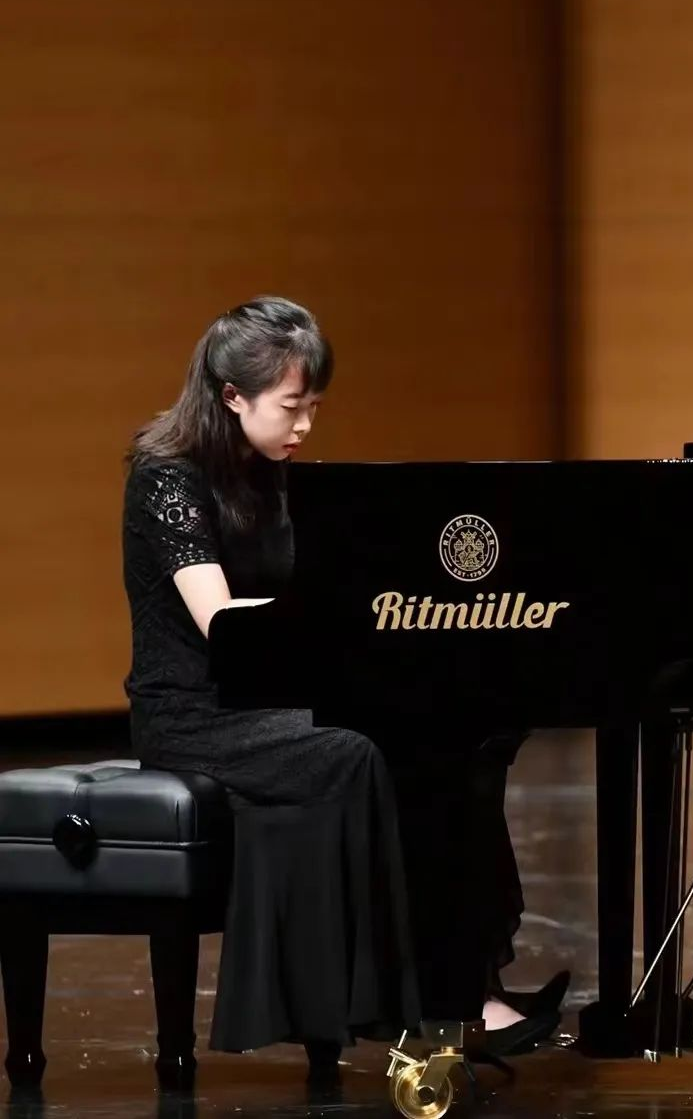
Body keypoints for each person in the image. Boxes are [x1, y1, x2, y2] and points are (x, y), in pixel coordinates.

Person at [122, 294, 562, 1061]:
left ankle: (465, 986)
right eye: (291, 407)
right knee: (360, 752)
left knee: (446, 738)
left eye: (314, 408)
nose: (304, 426)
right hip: (193, 715)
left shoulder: (269, 471)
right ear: (232, 397)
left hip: (262, 700)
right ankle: (412, 1003)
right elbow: (222, 621)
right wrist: (341, 616)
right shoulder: (168, 478)